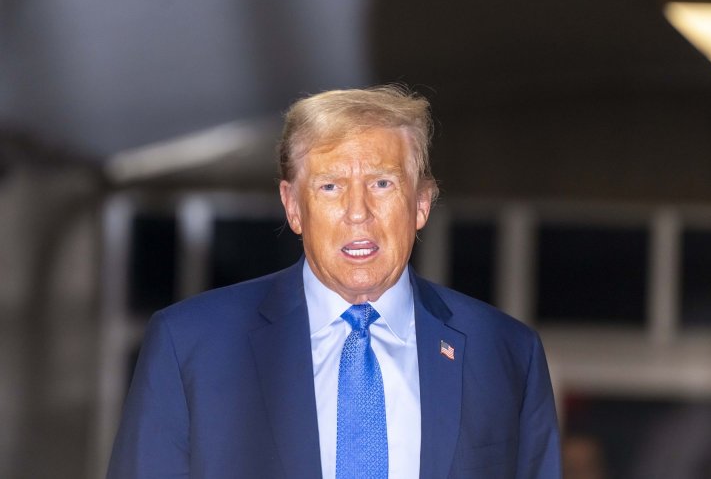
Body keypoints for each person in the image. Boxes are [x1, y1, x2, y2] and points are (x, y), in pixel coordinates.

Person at [106, 85, 561, 479]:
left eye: (382, 183)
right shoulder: (190, 347)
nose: (358, 212)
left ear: (421, 203)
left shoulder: (506, 354)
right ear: (293, 206)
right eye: (330, 187)